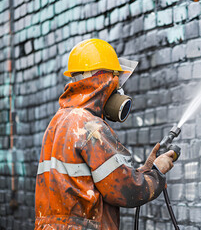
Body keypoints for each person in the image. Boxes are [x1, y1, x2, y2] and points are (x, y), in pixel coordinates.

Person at [34, 39, 175, 229]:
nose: (118, 90)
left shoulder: (57, 122)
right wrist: (156, 173)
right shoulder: (90, 127)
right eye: (116, 81)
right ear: (104, 81)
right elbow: (125, 190)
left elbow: (96, 180)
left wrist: (143, 171)